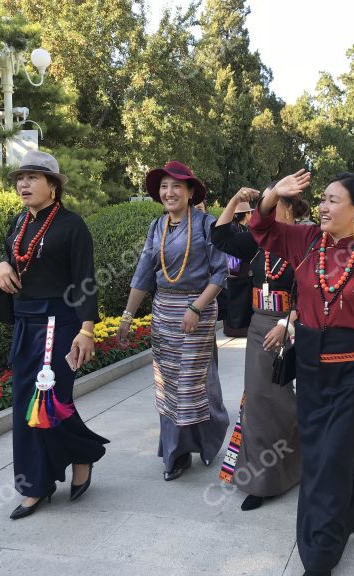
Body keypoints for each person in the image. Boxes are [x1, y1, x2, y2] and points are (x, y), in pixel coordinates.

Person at [247, 170, 354, 576]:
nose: (322, 206)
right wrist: (273, 194)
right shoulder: (305, 241)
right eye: (321, 199)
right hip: (310, 368)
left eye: (333, 200)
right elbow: (261, 227)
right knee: (323, 451)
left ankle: (319, 552)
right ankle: (350, 505)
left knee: (332, 457)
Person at [0, 151, 108, 520]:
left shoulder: (72, 225)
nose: (23, 184)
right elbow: (8, 255)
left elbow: (86, 281)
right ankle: (37, 484)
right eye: (20, 178)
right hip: (26, 325)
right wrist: (0, 265)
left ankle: (78, 455)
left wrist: (86, 331)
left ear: (53, 186)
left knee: (51, 401)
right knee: (26, 406)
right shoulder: (18, 222)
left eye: (33, 177)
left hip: (60, 327)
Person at [117, 161, 230, 480]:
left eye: (177, 186)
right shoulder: (157, 227)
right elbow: (143, 273)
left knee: (191, 383)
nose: (169, 192)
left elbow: (221, 273)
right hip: (163, 312)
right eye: (164, 186)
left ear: (191, 192)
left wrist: (196, 308)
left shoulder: (208, 224)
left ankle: (189, 446)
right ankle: (177, 447)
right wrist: (128, 316)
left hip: (197, 310)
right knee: (167, 384)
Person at [211, 184, 309, 511]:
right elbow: (221, 236)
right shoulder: (256, 239)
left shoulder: (305, 241)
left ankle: (297, 460)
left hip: (295, 326)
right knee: (258, 400)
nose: (262, 210)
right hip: (259, 325)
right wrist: (235, 199)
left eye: (272, 203)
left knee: (285, 400)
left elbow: (312, 291)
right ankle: (260, 479)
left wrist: (289, 324)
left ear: (290, 208)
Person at [218, 201, 255, 337]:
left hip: (237, 273)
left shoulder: (241, 228)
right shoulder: (237, 229)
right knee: (235, 303)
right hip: (236, 273)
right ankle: (235, 329)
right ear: (246, 214)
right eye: (250, 212)